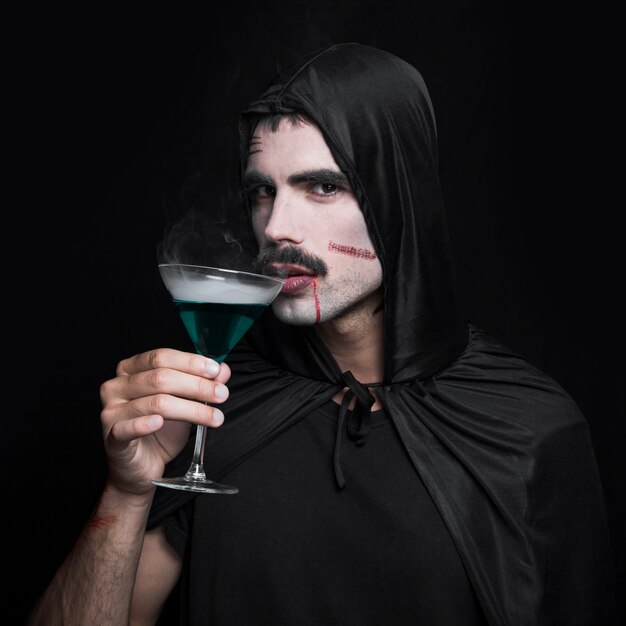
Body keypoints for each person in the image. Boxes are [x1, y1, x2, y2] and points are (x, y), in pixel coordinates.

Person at [28, 43, 615, 625]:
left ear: (398, 198)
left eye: (324, 187)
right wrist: (126, 493)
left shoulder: (532, 429)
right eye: (263, 190)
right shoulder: (213, 405)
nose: (277, 227)